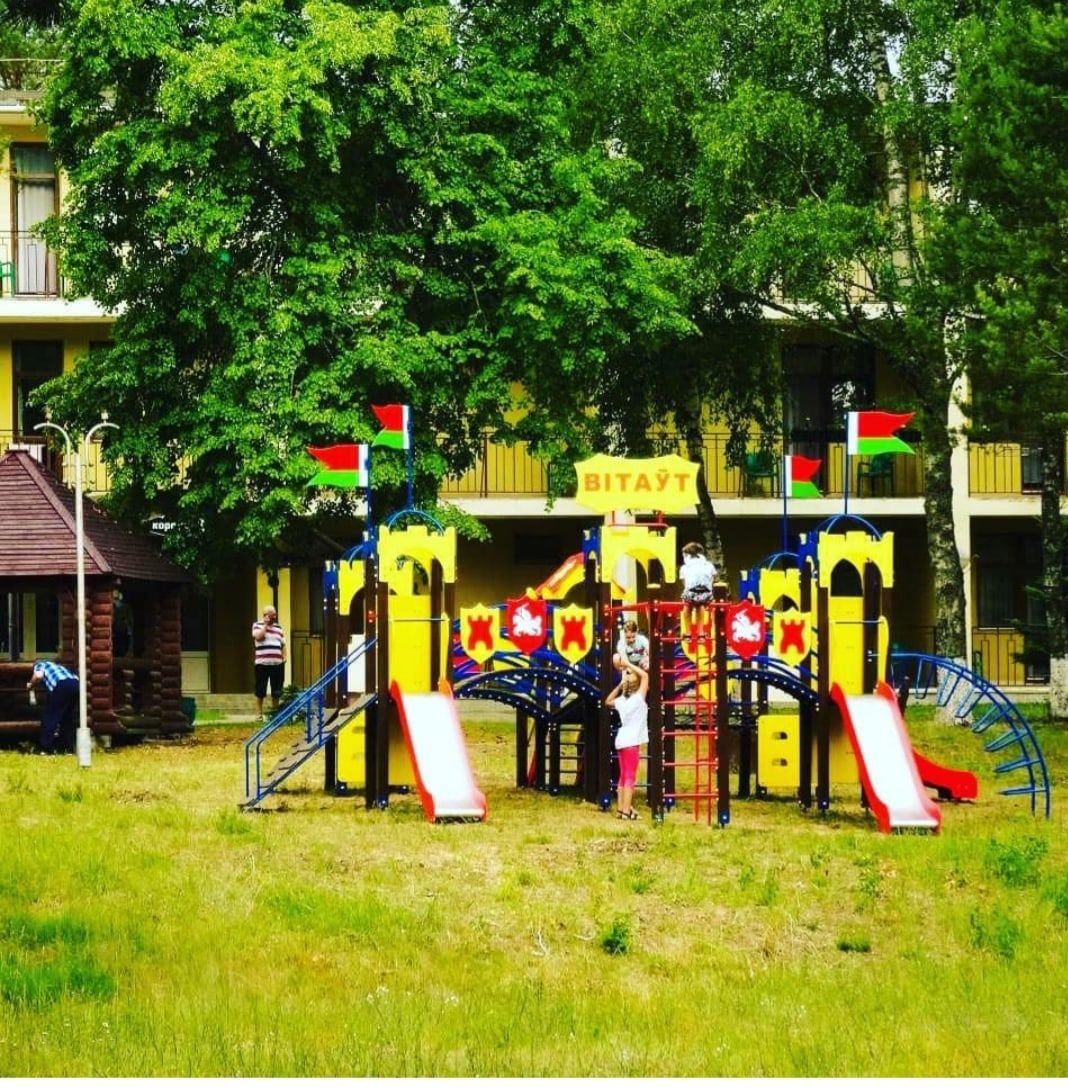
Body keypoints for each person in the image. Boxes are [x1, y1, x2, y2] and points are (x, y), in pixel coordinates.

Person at [605, 661, 649, 820]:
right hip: (631, 741)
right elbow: (645, 676)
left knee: (623, 776)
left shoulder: (622, 700)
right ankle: (625, 811)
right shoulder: (638, 698)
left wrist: (619, 685)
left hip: (621, 738)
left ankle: (620, 810)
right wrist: (627, 663)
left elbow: (607, 701)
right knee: (630, 776)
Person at [26, 660, 79, 755]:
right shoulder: (58, 666)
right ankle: (68, 748)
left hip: (62, 685)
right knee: (66, 718)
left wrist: (31, 684)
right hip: (75, 684)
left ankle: (45, 748)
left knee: (50, 717)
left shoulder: (40, 664)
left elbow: (38, 676)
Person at [679, 541, 717, 650]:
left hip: (691, 594)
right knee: (700, 606)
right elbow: (713, 577)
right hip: (706, 594)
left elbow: (684, 582)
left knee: (687, 606)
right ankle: (700, 633)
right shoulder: (708, 565)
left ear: (688, 555)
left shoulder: (685, 567)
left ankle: (688, 633)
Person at [252, 604, 286, 719]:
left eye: (275, 615)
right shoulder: (257, 625)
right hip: (262, 664)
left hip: (277, 664)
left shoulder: (279, 627)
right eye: (272, 615)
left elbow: (283, 644)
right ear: (265, 615)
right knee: (260, 690)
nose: (274, 617)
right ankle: (259, 715)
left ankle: (275, 715)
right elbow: (258, 637)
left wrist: (284, 657)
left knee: (277, 690)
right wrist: (266, 625)